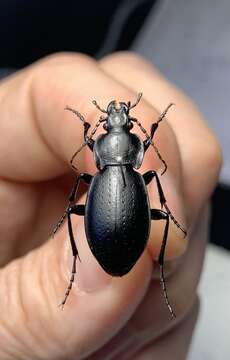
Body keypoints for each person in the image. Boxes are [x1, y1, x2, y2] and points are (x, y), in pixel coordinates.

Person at [0, 51, 221, 359]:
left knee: (74, 209)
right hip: (124, 234)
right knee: (159, 204)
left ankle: (77, 266)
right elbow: (148, 163)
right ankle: (102, 264)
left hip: (108, 233)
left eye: (123, 123)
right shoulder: (138, 166)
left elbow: (87, 164)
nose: (118, 122)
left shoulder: (97, 167)